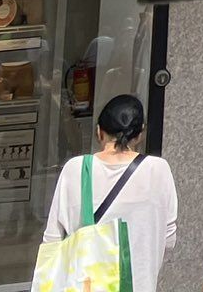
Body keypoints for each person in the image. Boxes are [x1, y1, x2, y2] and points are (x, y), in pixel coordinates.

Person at [43, 95, 178, 292]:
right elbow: (169, 240)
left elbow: (52, 240)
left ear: (99, 131)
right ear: (140, 133)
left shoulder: (75, 169)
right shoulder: (158, 170)